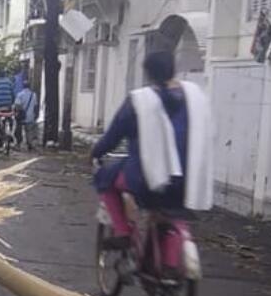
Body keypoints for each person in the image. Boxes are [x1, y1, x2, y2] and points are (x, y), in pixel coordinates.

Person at [91, 50, 213, 247]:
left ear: (148, 73)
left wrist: (96, 152)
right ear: (173, 69)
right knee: (174, 209)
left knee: (106, 178)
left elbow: (113, 135)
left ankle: (123, 232)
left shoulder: (140, 100)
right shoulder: (196, 96)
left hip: (147, 180)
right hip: (189, 181)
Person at [14, 81, 38, 149]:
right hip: (30, 116)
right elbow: (35, 106)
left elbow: (17, 105)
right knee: (29, 130)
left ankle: (18, 144)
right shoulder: (34, 95)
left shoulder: (20, 94)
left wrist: (19, 111)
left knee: (19, 130)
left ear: (23, 86)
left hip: (21, 116)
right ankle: (29, 144)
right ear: (29, 86)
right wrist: (35, 115)